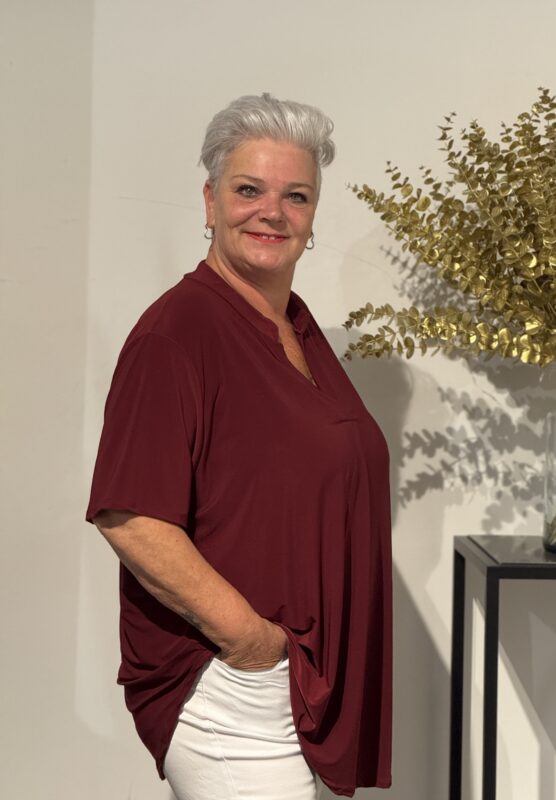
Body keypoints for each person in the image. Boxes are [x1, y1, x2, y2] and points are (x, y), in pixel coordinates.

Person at [85, 93, 393, 799]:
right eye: (249, 190)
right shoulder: (178, 333)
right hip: (232, 688)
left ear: (313, 215)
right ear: (210, 200)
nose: (272, 212)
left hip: (293, 683)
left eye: (296, 196)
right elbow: (131, 517)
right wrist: (255, 645)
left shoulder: (297, 327)